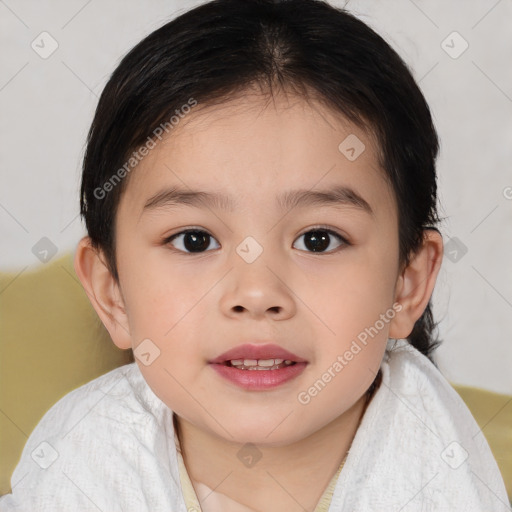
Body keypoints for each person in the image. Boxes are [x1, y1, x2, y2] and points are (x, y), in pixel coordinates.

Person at [1, 0, 508, 510]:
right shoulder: (72, 473)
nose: (257, 293)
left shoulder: (451, 482)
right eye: (194, 240)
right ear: (112, 293)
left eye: (318, 239)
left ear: (407, 283)